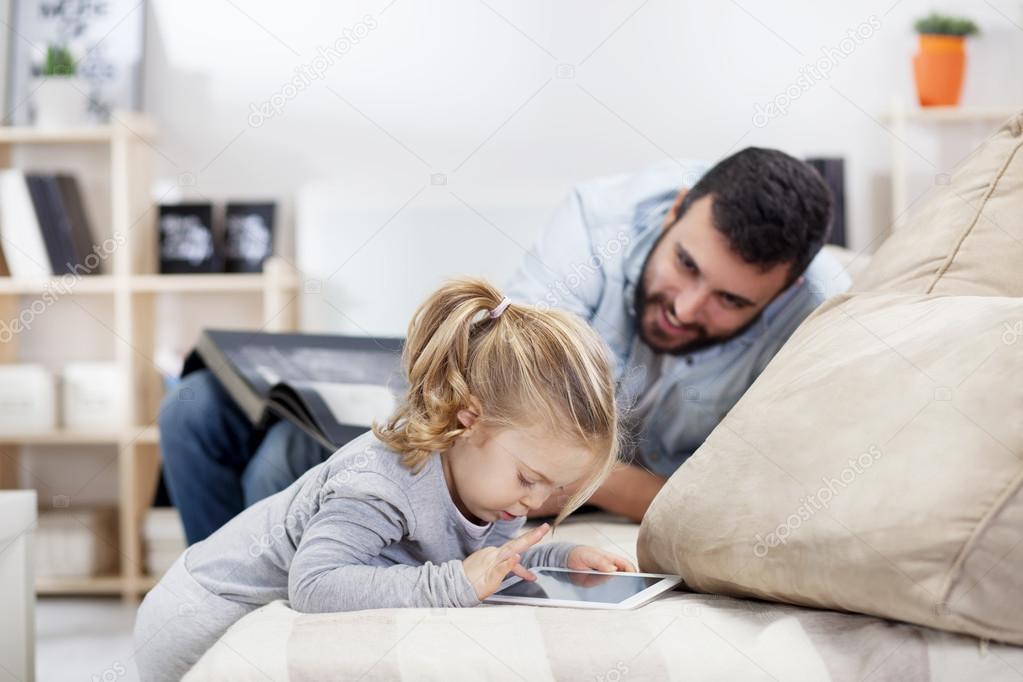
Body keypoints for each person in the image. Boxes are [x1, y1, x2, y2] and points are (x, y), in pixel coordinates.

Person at [160, 147, 851, 543]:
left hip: (520, 446)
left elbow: (756, 497)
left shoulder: (819, 312)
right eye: (686, 266)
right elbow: (510, 404)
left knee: (281, 456)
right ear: (672, 212)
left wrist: (586, 477)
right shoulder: (601, 220)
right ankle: (227, 622)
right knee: (191, 408)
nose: (685, 307)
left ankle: (258, 631)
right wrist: (606, 475)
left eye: (731, 302)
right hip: (481, 395)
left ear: (782, 291)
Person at [134, 278, 634, 681]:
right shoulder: (381, 481)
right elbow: (314, 584)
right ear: (468, 418)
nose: (536, 501)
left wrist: (559, 561)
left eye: (556, 489)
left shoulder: (495, 494)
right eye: (529, 478)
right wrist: (451, 584)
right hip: (198, 618)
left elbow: (488, 564)